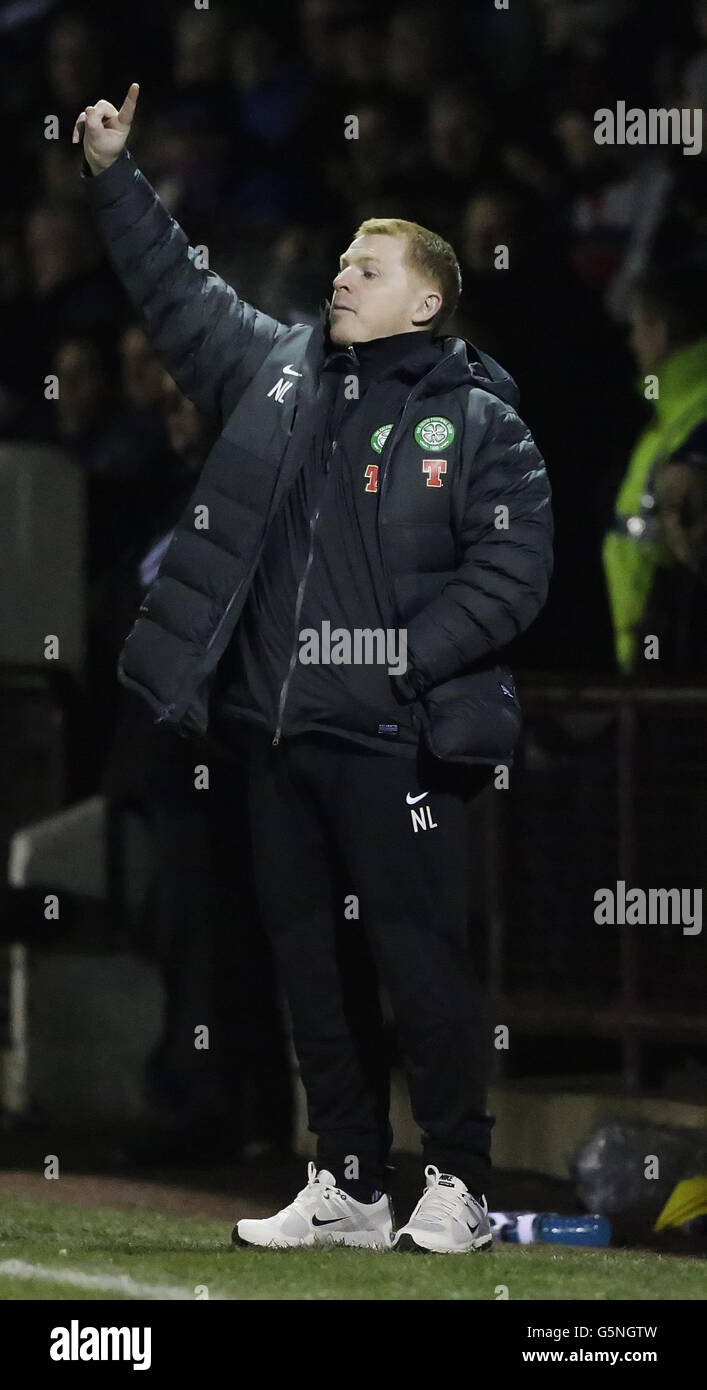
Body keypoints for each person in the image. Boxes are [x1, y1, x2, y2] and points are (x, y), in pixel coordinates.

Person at [74, 83, 553, 1255]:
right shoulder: (276, 374)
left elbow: (512, 574)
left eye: (368, 268)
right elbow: (179, 295)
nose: (341, 276)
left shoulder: (478, 418)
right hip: (275, 737)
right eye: (339, 261)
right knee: (313, 977)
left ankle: (458, 1178)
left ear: (426, 298)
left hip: (397, 739)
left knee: (419, 967)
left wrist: (398, 668)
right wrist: (114, 176)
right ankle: (347, 1178)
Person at [603, 263, 707, 677]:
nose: (631, 343)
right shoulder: (671, 413)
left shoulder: (694, 415)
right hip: (657, 666)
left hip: (682, 674)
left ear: (660, 330)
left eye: (636, 327)